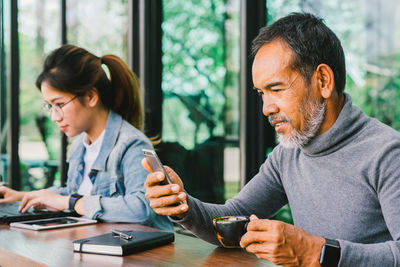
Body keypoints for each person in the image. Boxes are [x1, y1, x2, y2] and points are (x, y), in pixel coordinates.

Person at [143, 12, 400, 266]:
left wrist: (317, 252)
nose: (266, 108)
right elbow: (232, 218)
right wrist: (183, 207)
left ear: (323, 81)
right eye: (261, 93)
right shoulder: (288, 155)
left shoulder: (388, 154)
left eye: (276, 89)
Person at [0, 44, 173, 231]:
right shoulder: (79, 145)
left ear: (90, 96)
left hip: (144, 256)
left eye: (59, 104)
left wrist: (72, 203)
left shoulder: (131, 144)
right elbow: (76, 193)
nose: (54, 116)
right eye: (49, 106)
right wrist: (23, 196)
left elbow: (142, 209)